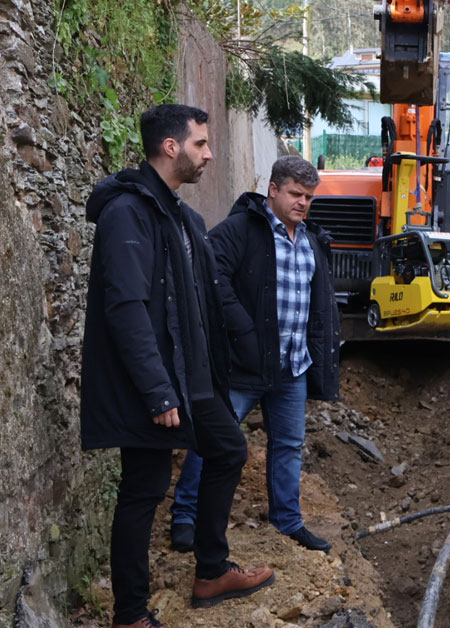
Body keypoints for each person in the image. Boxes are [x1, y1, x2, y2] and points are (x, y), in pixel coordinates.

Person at [81, 104, 274, 628]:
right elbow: (126, 309)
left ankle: (211, 571)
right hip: (153, 385)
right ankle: (130, 614)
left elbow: (199, 302)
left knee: (229, 449)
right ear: (171, 147)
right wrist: (158, 391)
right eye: (200, 145)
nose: (209, 154)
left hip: (193, 382)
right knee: (142, 489)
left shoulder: (182, 218)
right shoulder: (127, 213)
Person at [169, 155, 341, 554]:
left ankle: (287, 521)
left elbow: (317, 305)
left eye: (309, 197)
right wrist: (243, 330)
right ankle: (185, 518)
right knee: (213, 439)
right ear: (274, 190)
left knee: (288, 445)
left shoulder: (311, 240)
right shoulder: (241, 230)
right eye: (296, 194)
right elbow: (209, 278)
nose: (303, 203)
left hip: (292, 367)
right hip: (244, 365)